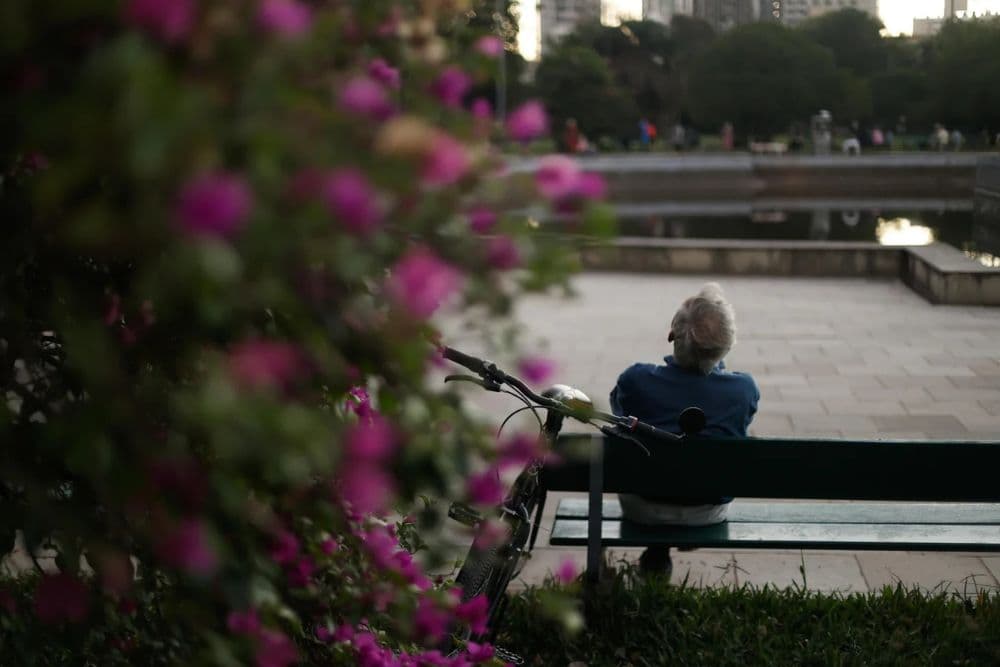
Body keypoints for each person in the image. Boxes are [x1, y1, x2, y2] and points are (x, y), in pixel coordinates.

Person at [609, 283, 759, 576]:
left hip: (644, 506)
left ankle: (658, 548)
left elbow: (619, 413)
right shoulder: (743, 390)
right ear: (725, 346)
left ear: (671, 335)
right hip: (707, 510)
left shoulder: (636, 380)